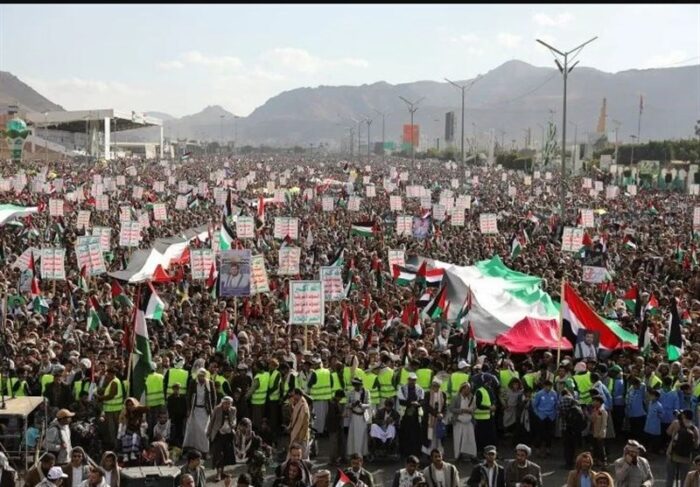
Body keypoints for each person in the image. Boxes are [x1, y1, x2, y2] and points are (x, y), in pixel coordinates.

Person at [183, 368, 216, 456]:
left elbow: (213, 398)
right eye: (200, 376)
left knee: (204, 431)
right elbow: (189, 396)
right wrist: (189, 409)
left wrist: (212, 409)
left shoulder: (210, 383)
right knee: (194, 431)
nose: (201, 378)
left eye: (203, 376)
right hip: (195, 410)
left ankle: (205, 451)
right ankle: (195, 450)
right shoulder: (193, 383)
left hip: (205, 411)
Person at [666, 410, 700, 486]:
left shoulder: (676, 423)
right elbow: (696, 445)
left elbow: (668, 432)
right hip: (686, 458)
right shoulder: (695, 429)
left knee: (670, 478)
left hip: (672, 455)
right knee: (684, 479)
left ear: (683, 415)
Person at [207, 396, 237, 481]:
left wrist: (232, 424)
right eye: (225, 403)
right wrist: (208, 432)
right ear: (222, 403)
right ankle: (218, 474)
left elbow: (234, 419)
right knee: (218, 454)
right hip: (218, 434)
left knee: (226, 454)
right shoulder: (217, 409)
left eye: (229, 403)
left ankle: (222, 472)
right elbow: (212, 421)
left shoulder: (233, 410)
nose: (227, 405)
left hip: (228, 435)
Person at [398, 372, 424, 458]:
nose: (412, 381)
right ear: (408, 380)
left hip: (416, 414)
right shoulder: (402, 388)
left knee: (416, 433)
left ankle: (416, 452)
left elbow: (422, 401)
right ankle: (405, 452)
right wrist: (410, 403)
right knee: (405, 432)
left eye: (414, 380)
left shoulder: (420, 389)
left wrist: (418, 404)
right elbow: (401, 401)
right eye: (411, 380)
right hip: (405, 413)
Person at [450, 382, 477, 462]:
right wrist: (462, 410)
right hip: (459, 422)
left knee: (470, 439)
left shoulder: (471, 397)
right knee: (458, 440)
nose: (469, 390)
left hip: (468, 422)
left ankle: (472, 455)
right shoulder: (456, 397)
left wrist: (471, 410)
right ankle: (457, 456)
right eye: (467, 388)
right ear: (463, 389)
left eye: (469, 389)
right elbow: (451, 409)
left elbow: (474, 407)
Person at [532, 379, 558, 457]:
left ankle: (548, 449)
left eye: (550, 386)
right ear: (544, 386)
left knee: (549, 434)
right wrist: (538, 414)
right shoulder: (539, 394)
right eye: (547, 386)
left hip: (551, 416)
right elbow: (534, 405)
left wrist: (555, 413)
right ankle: (538, 449)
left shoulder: (554, 394)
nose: (548, 388)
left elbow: (556, 404)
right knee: (539, 434)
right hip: (541, 416)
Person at [346, 377, 370, 457]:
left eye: (358, 385)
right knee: (353, 436)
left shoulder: (366, 392)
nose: (357, 387)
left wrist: (361, 405)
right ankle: (353, 453)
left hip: (362, 417)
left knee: (362, 435)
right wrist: (353, 404)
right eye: (355, 385)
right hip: (354, 416)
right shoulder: (350, 393)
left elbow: (369, 404)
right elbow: (347, 404)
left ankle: (362, 453)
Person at [288, 388, 311, 460]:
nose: (292, 396)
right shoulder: (298, 403)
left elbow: (305, 424)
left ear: (298, 395)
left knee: (302, 457)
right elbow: (294, 416)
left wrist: (301, 438)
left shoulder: (304, 406)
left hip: (301, 436)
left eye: (293, 395)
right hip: (296, 434)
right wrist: (290, 405)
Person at [326, 390, 346, 465]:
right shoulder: (333, 404)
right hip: (333, 426)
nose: (341, 399)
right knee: (333, 444)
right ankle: (333, 460)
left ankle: (338, 458)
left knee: (338, 443)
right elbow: (332, 416)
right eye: (340, 398)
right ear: (338, 396)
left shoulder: (334, 403)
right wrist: (341, 415)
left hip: (337, 426)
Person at [590, 395, 609, 468]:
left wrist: (601, 433)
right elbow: (592, 419)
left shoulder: (603, 411)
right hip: (594, 432)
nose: (593, 403)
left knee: (601, 449)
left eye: (594, 401)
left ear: (598, 402)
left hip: (600, 433)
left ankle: (604, 463)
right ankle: (596, 461)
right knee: (595, 448)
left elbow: (604, 424)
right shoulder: (595, 410)